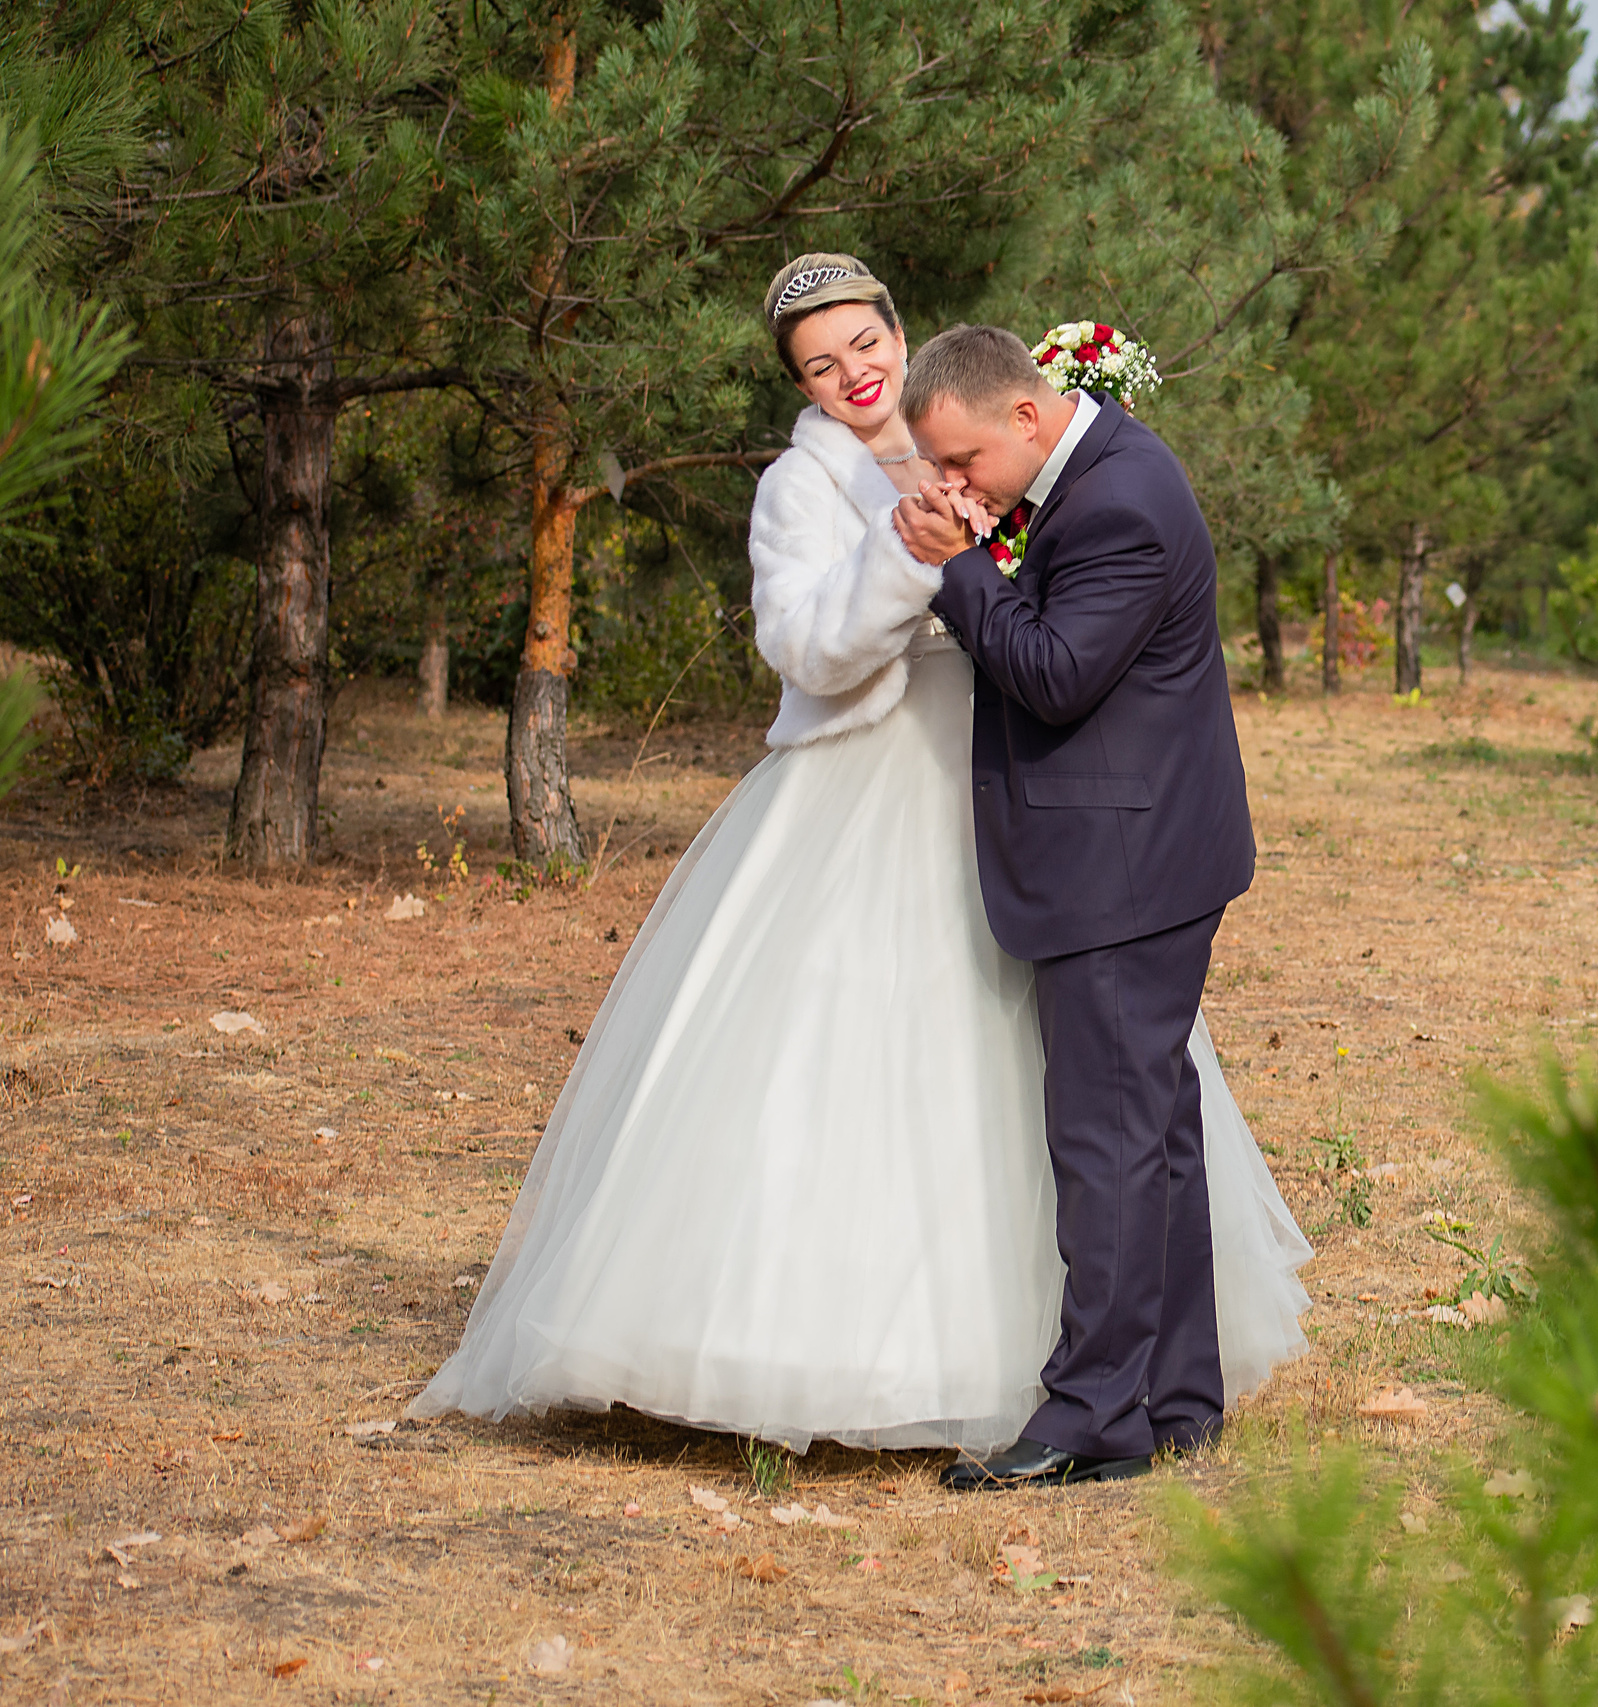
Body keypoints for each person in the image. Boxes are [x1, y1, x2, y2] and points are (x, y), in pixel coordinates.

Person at [409, 256, 1308, 1454]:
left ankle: (1134, 1390)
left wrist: (969, 551)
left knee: (1112, 1110)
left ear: (897, 327)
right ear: (798, 382)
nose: (852, 374)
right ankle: (874, 1360)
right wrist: (909, 558)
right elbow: (809, 651)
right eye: (818, 365)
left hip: (1039, 798)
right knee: (871, 1074)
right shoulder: (801, 487)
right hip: (880, 785)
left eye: (861, 344)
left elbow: (1072, 617)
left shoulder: (981, 425)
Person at [891, 326, 1256, 1490]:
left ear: (1027, 419)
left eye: (961, 461)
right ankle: (1175, 1397)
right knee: (1156, 1141)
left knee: (1105, 1144)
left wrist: (958, 568)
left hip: (1122, 867)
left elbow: (1051, 674)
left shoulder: (1117, 505)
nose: (954, 486)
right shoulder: (1094, 474)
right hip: (1147, 847)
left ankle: (1094, 1415)